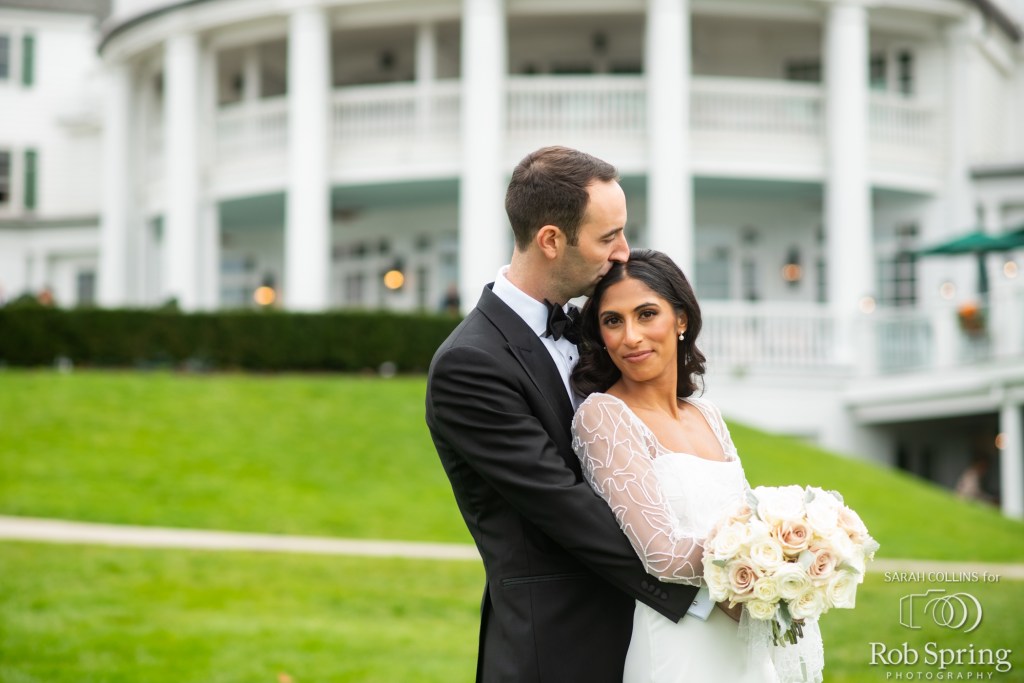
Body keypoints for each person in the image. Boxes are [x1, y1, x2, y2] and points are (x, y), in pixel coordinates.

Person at [425, 147, 699, 682]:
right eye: (608, 237)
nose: (624, 253)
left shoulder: (598, 329)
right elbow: (563, 504)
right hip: (557, 650)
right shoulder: (470, 365)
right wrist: (706, 590)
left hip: (649, 641)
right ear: (551, 240)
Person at [571, 249, 823, 683]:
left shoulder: (708, 414)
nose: (630, 336)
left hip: (744, 634)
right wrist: (759, 572)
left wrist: (793, 558)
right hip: (679, 643)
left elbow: (747, 518)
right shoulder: (604, 416)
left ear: (681, 319)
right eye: (613, 321)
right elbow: (661, 554)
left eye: (646, 314)